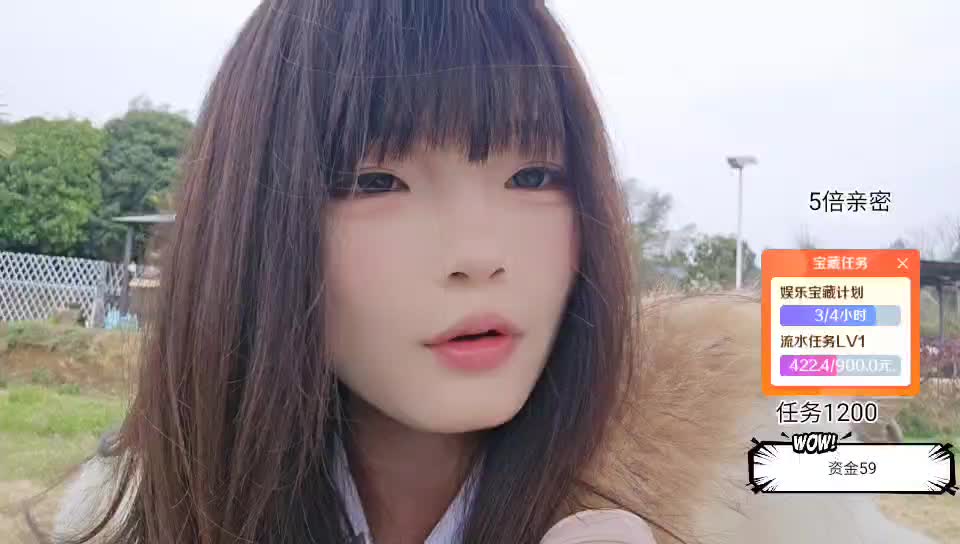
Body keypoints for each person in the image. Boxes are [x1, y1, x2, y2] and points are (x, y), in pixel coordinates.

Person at [42, 2, 942, 544]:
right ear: (255, 223)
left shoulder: (749, 489)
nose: (480, 254)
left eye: (535, 176)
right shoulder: (135, 513)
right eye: (376, 182)